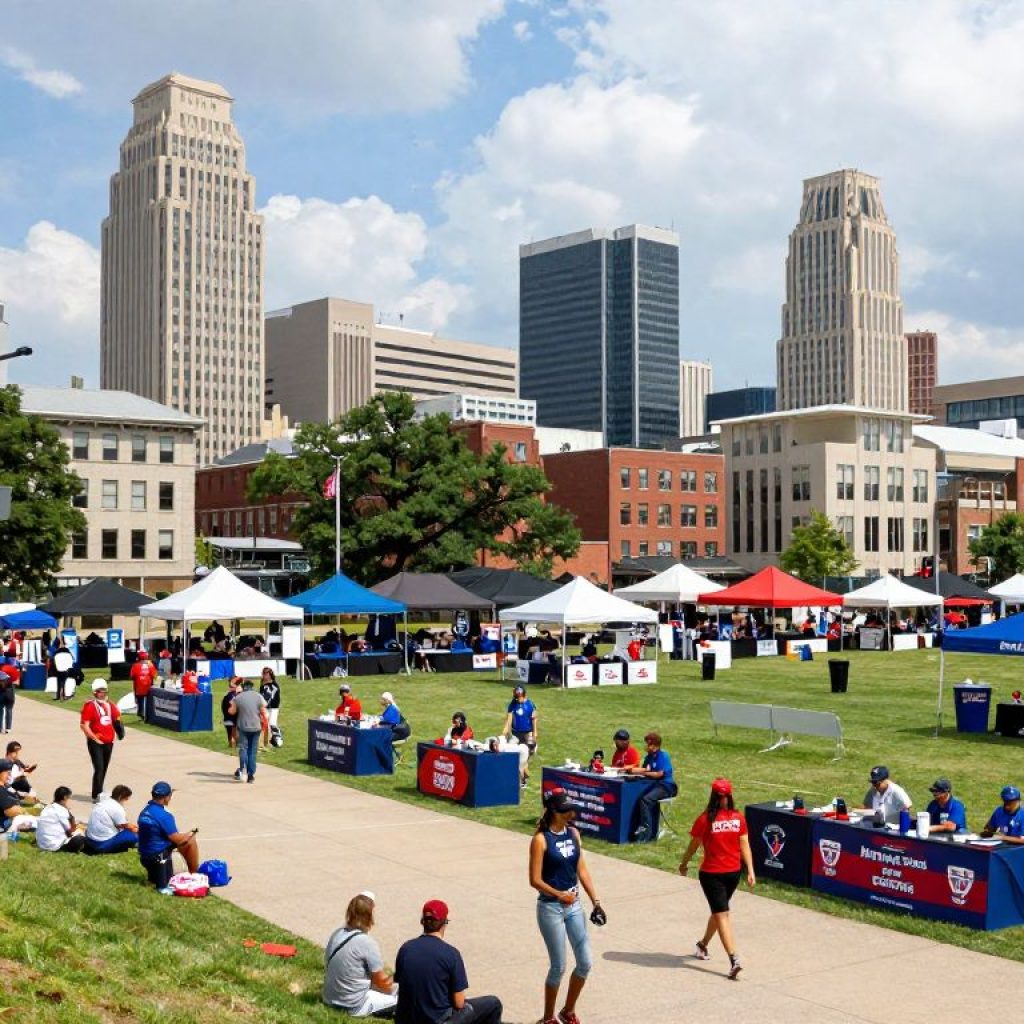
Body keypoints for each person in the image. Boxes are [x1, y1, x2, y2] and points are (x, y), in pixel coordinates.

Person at [529, 789, 600, 1024]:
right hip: (551, 908)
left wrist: (596, 902)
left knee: (585, 962)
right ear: (554, 812)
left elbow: (582, 870)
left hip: (574, 906)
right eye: (566, 810)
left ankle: (567, 1011)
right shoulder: (540, 840)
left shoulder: (574, 834)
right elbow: (535, 880)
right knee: (558, 966)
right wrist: (559, 894)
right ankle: (548, 1017)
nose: (571, 813)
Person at [679, 778, 755, 981]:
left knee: (720, 913)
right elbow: (745, 845)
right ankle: (703, 945)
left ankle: (734, 961)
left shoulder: (705, 819)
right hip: (733, 873)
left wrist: (684, 863)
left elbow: (693, 846)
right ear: (730, 796)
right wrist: (750, 870)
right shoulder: (738, 818)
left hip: (713, 874)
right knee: (720, 911)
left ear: (712, 796)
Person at [394, 899, 502, 1024]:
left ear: (422, 921)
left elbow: (402, 983)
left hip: (407, 1019)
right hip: (438, 1020)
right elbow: (459, 1002)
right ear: (444, 922)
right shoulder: (450, 953)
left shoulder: (405, 949)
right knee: (493, 1003)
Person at [323, 892, 399, 1017]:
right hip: (352, 1005)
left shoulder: (336, 934)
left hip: (329, 998)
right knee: (405, 1000)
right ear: (369, 917)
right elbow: (381, 982)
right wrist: (397, 989)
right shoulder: (367, 943)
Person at [137, 780, 200, 889]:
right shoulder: (164, 815)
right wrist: (190, 833)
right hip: (157, 856)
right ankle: (194, 874)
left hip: (145, 856)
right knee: (190, 841)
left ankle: (155, 877)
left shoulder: (145, 811)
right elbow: (177, 839)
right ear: (166, 797)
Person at [627, 731, 678, 842]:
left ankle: (646, 832)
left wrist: (643, 773)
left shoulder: (663, 756)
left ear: (655, 746)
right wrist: (629, 770)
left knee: (645, 800)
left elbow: (659, 774)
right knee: (638, 797)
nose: (646, 746)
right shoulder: (649, 757)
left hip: (666, 786)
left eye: (649, 744)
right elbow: (645, 769)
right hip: (653, 785)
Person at [79, 679, 123, 802]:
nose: (102, 693)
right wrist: (93, 737)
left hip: (109, 741)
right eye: (99, 691)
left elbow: (116, 719)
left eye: (104, 691)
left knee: (104, 767)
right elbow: (84, 725)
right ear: (94, 692)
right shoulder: (90, 706)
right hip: (96, 742)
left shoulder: (110, 705)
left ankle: (99, 791)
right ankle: (96, 795)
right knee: (99, 768)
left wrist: (120, 731)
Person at [229, 680, 267, 784]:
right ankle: (251, 775)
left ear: (243, 687)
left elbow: (231, 711)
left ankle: (243, 769)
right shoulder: (258, 696)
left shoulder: (238, 697)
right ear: (252, 687)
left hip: (243, 727)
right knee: (252, 751)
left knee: (243, 749)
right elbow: (264, 709)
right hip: (256, 727)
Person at [85, 784, 139, 855]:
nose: (127, 800)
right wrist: (138, 829)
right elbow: (125, 825)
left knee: (129, 831)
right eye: (126, 798)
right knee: (134, 835)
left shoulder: (103, 802)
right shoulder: (117, 808)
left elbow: (122, 824)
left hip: (89, 839)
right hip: (101, 844)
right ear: (120, 797)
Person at [502, 685, 537, 789]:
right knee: (508, 750)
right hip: (516, 734)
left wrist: (535, 732)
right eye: (517, 697)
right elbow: (508, 719)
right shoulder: (513, 704)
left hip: (528, 733)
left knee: (528, 753)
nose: (518, 699)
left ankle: (524, 774)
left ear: (523, 695)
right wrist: (504, 732)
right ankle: (523, 776)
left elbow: (534, 719)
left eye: (519, 697)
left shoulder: (530, 704)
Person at [35, 785, 86, 853]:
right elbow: (71, 831)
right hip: (54, 846)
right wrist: (69, 813)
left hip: (41, 843)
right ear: (65, 797)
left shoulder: (47, 808)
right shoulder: (62, 810)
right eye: (68, 798)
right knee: (80, 836)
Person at [0, 758, 38, 837]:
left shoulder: (5, 785)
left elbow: (15, 797)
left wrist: (26, 799)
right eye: (7, 773)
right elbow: (9, 811)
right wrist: (26, 810)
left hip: (11, 820)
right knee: (38, 822)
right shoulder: (0, 790)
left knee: (36, 820)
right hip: (5, 825)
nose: (9, 775)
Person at [258, 667, 282, 751]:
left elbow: (274, 696)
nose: (265, 675)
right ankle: (268, 740)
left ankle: (278, 737)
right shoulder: (262, 686)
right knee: (265, 724)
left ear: (270, 674)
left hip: (274, 707)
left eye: (266, 674)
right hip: (266, 708)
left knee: (272, 723)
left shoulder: (275, 685)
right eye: (263, 674)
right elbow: (261, 697)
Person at [130, 649, 156, 721]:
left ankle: (141, 714)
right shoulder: (150, 665)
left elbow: (132, 676)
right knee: (148, 701)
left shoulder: (135, 665)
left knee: (140, 701)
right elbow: (154, 676)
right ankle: (147, 715)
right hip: (149, 686)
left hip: (139, 687)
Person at [0, 657, 18, 733]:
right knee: (9, 710)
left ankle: (0, 727)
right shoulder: (13, 671)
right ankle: (8, 728)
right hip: (10, 693)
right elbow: (16, 682)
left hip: (1, 693)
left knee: (0, 710)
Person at [221, 677, 241, 747]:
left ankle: (232, 745)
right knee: (234, 739)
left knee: (231, 737)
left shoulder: (227, 694)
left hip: (227, 719)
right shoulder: (233, 695)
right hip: (233, 719)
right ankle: (233, 746)